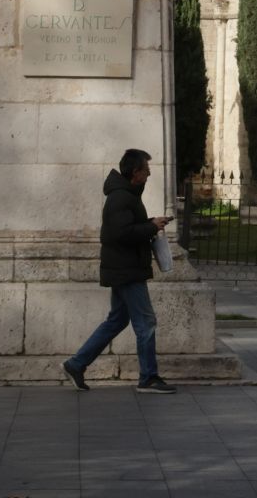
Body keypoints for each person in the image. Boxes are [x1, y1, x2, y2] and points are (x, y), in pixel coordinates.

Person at [61, 147, 175, 394]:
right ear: (135, 172)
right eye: (146, 169)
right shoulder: (121, 197)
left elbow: (127, 228)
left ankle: (76, 364)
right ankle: (148, 378)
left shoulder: (126, 195)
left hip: (124, 268)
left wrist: (151, 224)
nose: (149, 174)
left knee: (117, 320)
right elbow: (119, 234)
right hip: (127, 270)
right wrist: (150, 227)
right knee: (146, 322)